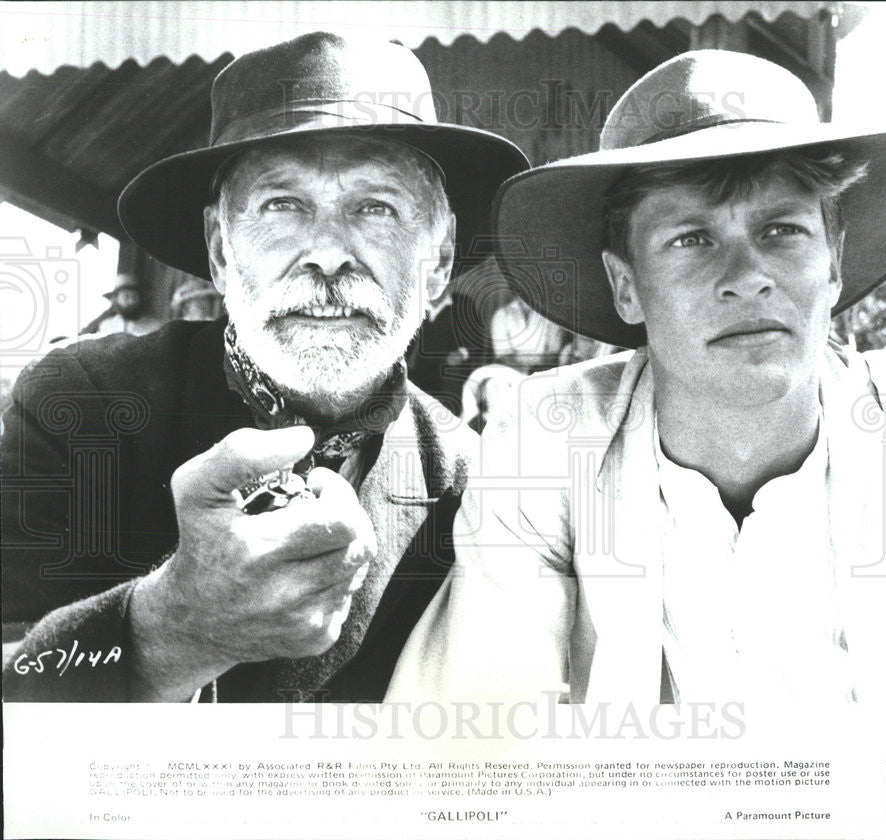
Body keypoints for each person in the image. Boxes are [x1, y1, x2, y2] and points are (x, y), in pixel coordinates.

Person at [387, 50, 886, 705]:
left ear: (835, 261)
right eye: (692, 240)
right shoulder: (544, 447)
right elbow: (483, 737)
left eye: (782, 230)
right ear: (626, 286)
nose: (747, 276)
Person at [1, 31, 528, 701]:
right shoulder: (80, 407)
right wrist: (169, 630)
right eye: (283, 205)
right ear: (220, 252)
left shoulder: (474, 487)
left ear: (440, 263)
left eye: (375, 208)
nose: (329, 253)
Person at [83, 272, 163, 336]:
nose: (131, 301)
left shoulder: (154, 328)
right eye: (126, 297)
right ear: (116, 299)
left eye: (134, 297)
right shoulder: (106, 326)